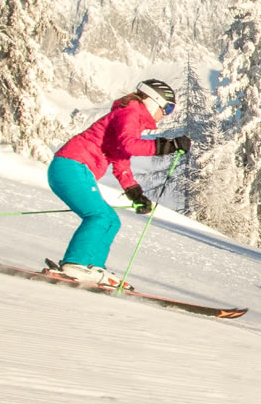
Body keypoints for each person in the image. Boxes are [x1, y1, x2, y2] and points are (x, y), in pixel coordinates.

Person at [45, 79, 190, 285]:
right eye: (167, 107)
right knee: (100, 216)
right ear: (152, 101)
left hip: (71, 168)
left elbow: (121, 162)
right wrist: (168, 146)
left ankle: (91, 267)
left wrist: (135, 194)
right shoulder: (130, 112)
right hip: (72, 166)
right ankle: (76, 265)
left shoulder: (129, 117)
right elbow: (129, 145)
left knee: (111, 220)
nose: (165, 114)